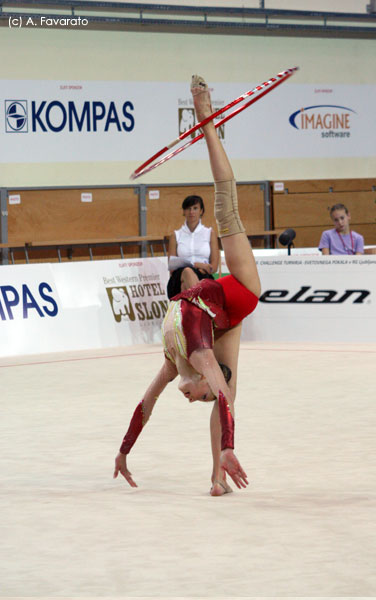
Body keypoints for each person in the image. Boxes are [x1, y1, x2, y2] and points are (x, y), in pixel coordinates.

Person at [114, 74, 261, 496]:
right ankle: (207, 118)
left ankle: (217, 478)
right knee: (225, 202)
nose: (190, 399)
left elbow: (146, 404)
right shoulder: (200, 356)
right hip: (243, 292)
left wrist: (124, 451)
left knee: (229, 392)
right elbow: (224, 399)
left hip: (221, 318)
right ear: (203, 379)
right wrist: (230, 446)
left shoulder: (175, 364)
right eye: (200, 397)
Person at [167, 194, 219, 299]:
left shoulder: (209, 233)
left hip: (203, 275)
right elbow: (172, 267)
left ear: (201, 211)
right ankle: (200, 305)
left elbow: (214, 267)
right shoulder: (176, 235)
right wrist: (200, 265)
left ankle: (194, 307)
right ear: (184, 212)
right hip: (179, 275)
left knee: (185, 287)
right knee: (187, 271)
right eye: (188, 209)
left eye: (195, 208)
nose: (191, 212)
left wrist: (200, 266)